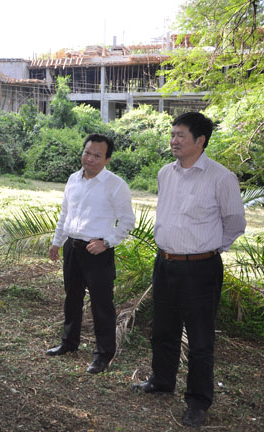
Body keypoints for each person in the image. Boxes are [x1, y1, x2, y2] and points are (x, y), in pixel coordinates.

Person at [132, 112, 246, 428]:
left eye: (180, 135)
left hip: (201, 269)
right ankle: (161, 381)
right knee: (163, 329)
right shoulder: (165, 173)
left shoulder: (221, 178)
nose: (174, 140)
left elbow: (235, 223)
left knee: (200, 339)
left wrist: (208, 250)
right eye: (172, 134)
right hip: (164, 263)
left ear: (200, 140)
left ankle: (197, 401)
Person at [47, 133, 135, 374]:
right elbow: (65, 213)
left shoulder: (115, 185)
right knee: (72, 298)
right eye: (87, 152)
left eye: (97, 155)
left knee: (101, 304)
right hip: (72, 248)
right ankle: (69, 342)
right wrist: (57, 242)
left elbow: (127, 221)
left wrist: (106, 242)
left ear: (107, 159)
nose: (90, 159)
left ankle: (103, 354)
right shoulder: (73, 179)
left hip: (97, 252)